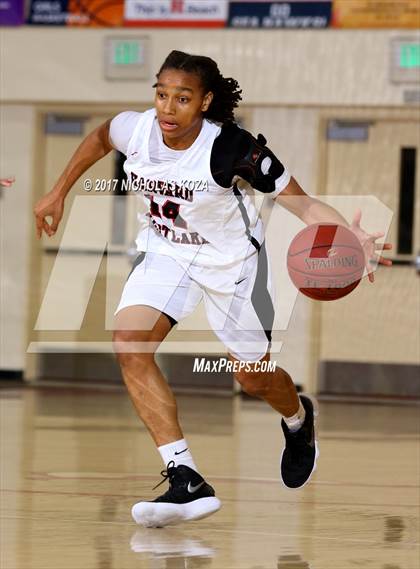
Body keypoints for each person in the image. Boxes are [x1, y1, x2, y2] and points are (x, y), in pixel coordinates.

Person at [34, 50, 392, 528]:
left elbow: (304, 206)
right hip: (165, 253)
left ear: (204, 102)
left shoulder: (233, 149)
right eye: (161, 94)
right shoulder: (133, 128)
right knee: (128, 344)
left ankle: (298, 420)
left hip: (232, 267)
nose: (167, 108)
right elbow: (100, 136)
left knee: (252, 378)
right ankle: (185, 475)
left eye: (182, 98)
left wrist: (348, 236)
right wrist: (58, 191)